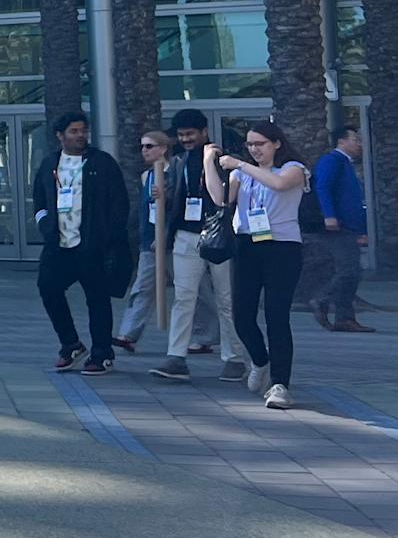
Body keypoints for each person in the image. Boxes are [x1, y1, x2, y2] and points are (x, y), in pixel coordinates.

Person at [210, 120, 311, 410]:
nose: (255, 150)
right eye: (250, 145)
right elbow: (220, 199)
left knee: (277, 315)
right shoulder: (245, 175)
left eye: (260, 144)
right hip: (247, 244)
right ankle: (260, 360)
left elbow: (279, 184)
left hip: (282, 247)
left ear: (276, 143)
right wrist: (210, 162)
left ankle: (280, 383)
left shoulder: (292, 168)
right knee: (241, 314)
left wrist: (240, 165)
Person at [31, 115, 133, 376]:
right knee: (47, 287)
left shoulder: (101, 163)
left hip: (92, 245)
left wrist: (108, 236)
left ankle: (102, 354)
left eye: (83, 131)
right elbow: (40, 201)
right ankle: (71, 344)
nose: (80, 135)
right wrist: (44, 225)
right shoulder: (49, 165)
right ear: (59, 135)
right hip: (58, 244)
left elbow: (119, 203)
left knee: (97, 299)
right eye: (74, 131)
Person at [153, 109, 246, 382]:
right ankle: (176, 356)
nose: (185, 139)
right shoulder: (179, 161)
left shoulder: (222, 160)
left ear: (204, 132)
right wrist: (165, 196)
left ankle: (234, 358)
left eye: (190, 134)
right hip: (186, 234)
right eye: (181, 135)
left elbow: (228, 197)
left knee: (226, 298)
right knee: (183, 297)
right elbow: (177, 199)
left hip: (219, 235)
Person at [114, 131, 176, 353]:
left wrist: (166, 232)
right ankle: (128, 333)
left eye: (150, 146)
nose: (145, 151)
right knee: (143, 286)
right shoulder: (146, 176)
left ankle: (206, 334)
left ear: (163, 148)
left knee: (194, 290)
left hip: (174, 240)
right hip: (150, 239)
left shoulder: (175, 173)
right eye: (143, 147)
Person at [312, 127, 372, 333]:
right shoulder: (332, 161)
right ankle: (323, 300)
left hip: (349, 225)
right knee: (349, 270)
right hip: (339, 226)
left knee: (352, 270)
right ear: (341, 141)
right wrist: (329, 215)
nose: (359, 144)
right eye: (355, 139)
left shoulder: (345, 164)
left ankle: (344, 317)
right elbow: (323, 187)